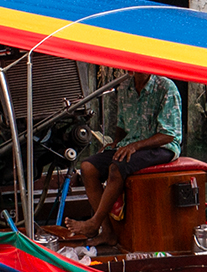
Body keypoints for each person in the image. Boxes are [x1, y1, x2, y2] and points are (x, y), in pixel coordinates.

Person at [74, 72, 184, 241]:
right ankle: (107, 231)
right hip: (131, 143)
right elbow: (122, 124)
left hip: (162, 147)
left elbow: (168, 134)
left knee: (116, 167)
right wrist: (116, 142)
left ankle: (94, 223)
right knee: (88, 167)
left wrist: (134, 146)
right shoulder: (125, 87)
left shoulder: (166, 87)